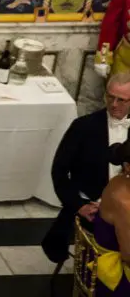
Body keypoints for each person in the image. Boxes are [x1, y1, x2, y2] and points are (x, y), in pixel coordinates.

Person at [41, 73, 130, 264]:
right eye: (110, 97)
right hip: (92, 207)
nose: (114, 104)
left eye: (121, 100)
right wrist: (79, 205)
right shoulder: (83, 127)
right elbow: (59, 172)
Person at [86, 139, 130, 297]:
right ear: (127, 166)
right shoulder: (124, 203)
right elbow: (129, 256)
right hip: (118, 280)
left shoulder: (119, 180)